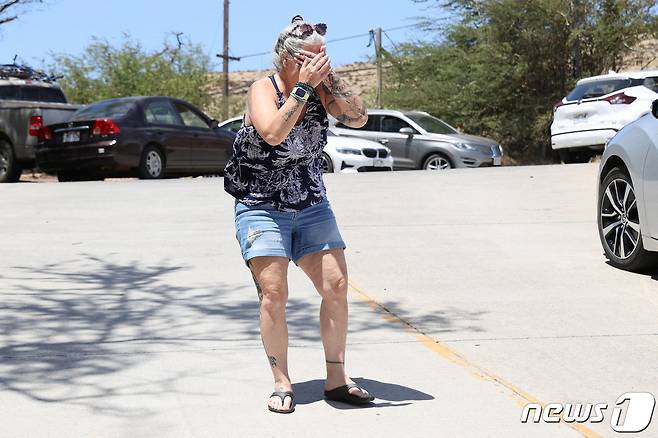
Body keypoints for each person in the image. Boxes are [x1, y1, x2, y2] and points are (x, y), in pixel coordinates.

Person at [223, 15, 374, 414]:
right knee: (274, 293)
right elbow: (273, 132)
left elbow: (359, 117)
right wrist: (305, 88)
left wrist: (330, 82)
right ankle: (282, 381)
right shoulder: (263, 89)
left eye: (324, 56)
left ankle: (337, 378)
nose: (321, 62)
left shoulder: (322, 91)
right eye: (313, 57)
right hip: (260, 207)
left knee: (336, 285)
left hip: (310, 203)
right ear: (289, 60)